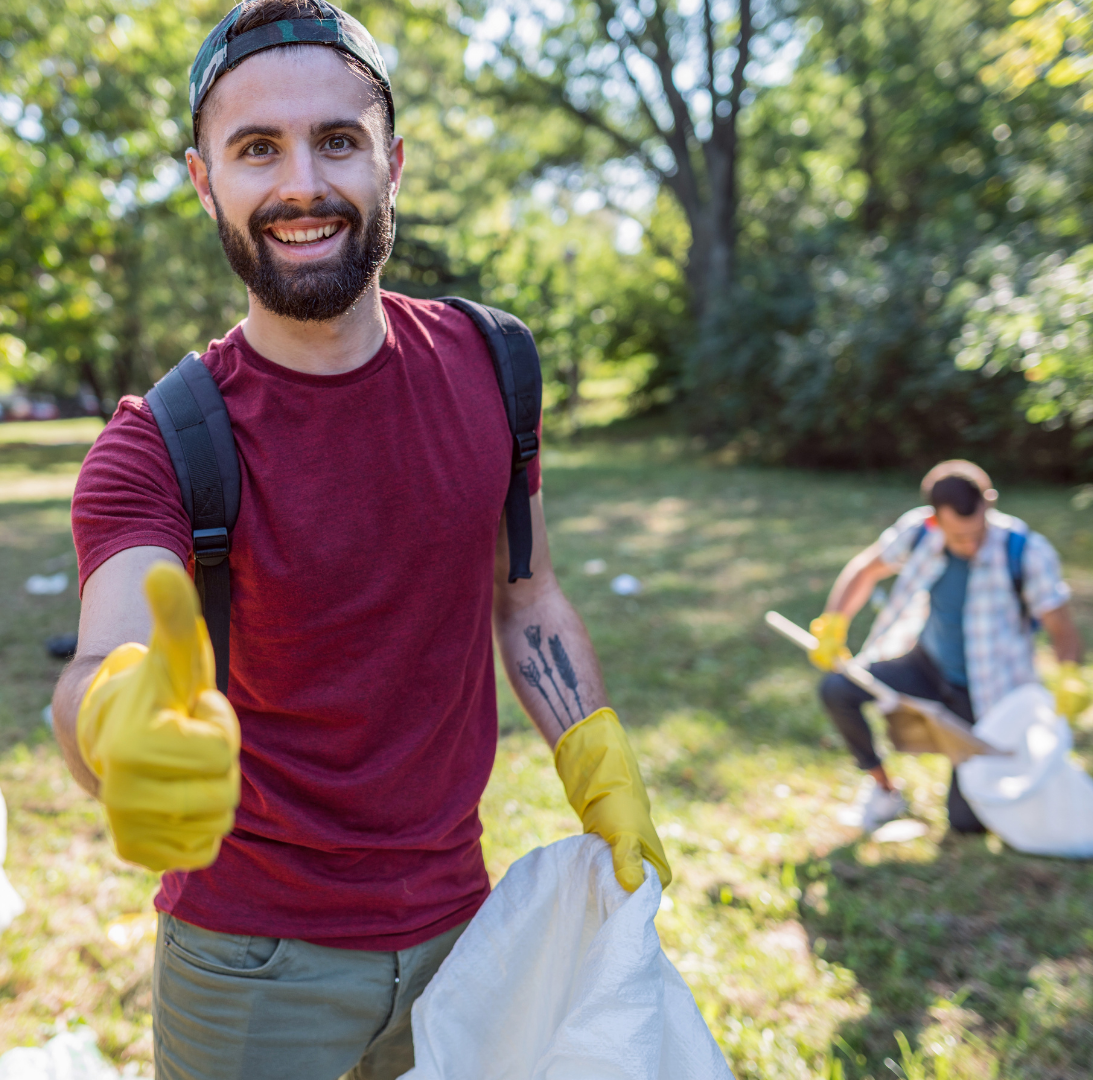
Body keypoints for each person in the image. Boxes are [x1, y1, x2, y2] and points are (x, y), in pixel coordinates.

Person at [47, 3, 671, 1077]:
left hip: (462, 930)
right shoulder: (158, 442)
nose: (302, 185)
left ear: (393, 162)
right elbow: (107, 658)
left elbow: (526, 596)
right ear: (205, 181)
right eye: (256, 149)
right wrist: (114, 723)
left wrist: (597, 762)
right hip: (246, 960)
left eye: (337, 140)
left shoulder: (494, 366)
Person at [809, 460, 1091, 834]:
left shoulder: (1025, 551)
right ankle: (884, 790)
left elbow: (1060, 624)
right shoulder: (917, 532)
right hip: (927, 666)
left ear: (988, 504)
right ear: (934, 521)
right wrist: (834, 622)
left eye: (977, 532)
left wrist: (1070, 673)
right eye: (959, 537)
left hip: (988, 691)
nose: (971, 544)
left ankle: (972, 786)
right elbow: (866, 570)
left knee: (967, 823)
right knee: (837, 689)